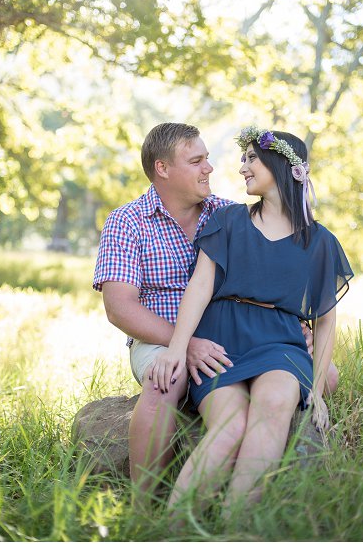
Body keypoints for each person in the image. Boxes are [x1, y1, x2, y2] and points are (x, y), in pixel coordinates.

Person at [92, 122, 338, 494]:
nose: (210, 168)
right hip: (160, 336)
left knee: (325, 374)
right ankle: (145, 506)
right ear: (163, 168)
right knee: (166, 379)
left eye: (207, 158)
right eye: (197, 161)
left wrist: (290, 326)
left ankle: (238, 509)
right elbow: (119, 309)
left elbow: (277, 271)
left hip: (224, 335)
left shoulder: (225, 212)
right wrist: (184, 343)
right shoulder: (127, 221)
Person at [149, 126, 352, 512]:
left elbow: (326, 320)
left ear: (281, 164)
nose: (242, 167)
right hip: (222, 339)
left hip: (279, 342)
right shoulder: (229, 220)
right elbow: (201, 285)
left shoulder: (320, 241)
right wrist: (177, 349)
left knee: (275, 402)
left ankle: (236, 524)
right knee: (230, 424)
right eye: (243, 159)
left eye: (250, 159)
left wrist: (318, 395)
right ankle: (172, 527)